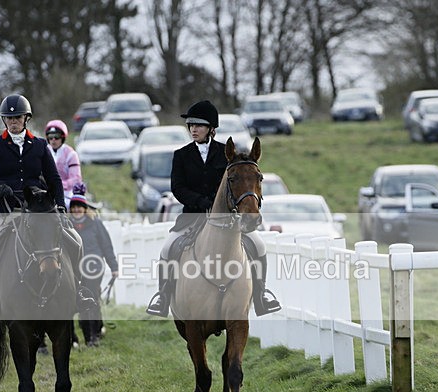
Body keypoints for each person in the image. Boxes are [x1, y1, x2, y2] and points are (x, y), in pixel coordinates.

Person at [145, 100, 281, 317]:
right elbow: (177, 188)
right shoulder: (181, 155)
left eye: (198, 125)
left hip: (229, 218)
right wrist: (202, 202)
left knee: (258, 244)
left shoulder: (227, 155)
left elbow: (235, 184)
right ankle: (163, 295)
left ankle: (261, 294)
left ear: (211, 129)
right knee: (168, 248)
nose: (193, 129)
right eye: (191, 125)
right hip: (192, 216)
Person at [0, 93, 93, 317]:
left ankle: (80, 289)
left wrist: (58, 207)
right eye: (9, 119)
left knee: (76, 239)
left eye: (17, 118)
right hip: (3, 207)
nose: (13, 122)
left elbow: (53, 179)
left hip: (36, 207)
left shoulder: (40, 146)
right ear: (4, 120)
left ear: (26, 119)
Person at [69, 183, 118, 347]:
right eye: (74, 207)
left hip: (92, 269)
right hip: (74, 271)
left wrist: (114, 267)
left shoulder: (95, 224)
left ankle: (92, 337)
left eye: (79, 207)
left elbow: (106, 246)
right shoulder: (67, 226)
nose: (76, 210)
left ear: (84, 208)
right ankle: (78, 336)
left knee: (91, 302)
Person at [44, 119, 84, 205]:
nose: (53, 140)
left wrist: (59, 185)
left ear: (63, 137)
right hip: (46, 191)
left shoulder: (71, 154)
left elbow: (76, 179)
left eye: (56, 137)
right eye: (50, 137)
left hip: (67, 193)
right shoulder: (43, 151)